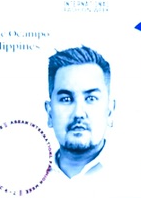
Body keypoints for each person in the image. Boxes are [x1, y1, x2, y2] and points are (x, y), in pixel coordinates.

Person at [44, 46, 115, 181]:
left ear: (110, 111)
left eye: (91, 98)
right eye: (66, 99)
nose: (78, 113)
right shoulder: (28, 177)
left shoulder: (134, 174)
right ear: (49, 113)